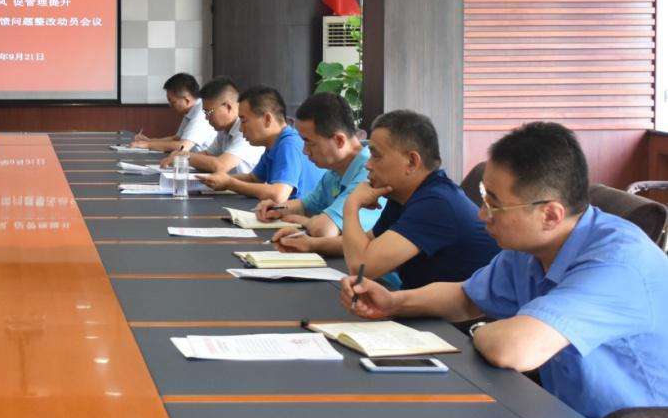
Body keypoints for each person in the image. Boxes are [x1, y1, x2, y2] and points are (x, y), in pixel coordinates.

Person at [342, 122, 668, 418]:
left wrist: (481, 331)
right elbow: (465, 296)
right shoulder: (531, 248)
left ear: (550, 214)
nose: (482, 215)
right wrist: (394, 302)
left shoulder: (617, 263)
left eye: (494, 205)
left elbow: (512, 349)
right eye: (485, 198)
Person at [342, 109, 499, 288]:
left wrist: (351, 205)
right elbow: (366, 243)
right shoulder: (403, 196)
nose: (368, 165)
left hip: (466, 306)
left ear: (411, 162)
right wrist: (315, 244)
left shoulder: (437, 203)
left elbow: (362, 268)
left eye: (376, 156)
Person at [262, 92, 381, 255]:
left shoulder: (371, 170)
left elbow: (324, 230)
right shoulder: (336, 169)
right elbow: (306, 206)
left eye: (309, 143)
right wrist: (276, 208)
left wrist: (304, 221)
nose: (305, 151)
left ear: (339, 140)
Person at [196, 85, 324, 203]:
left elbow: (278, 195)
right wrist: (220, 178)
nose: (240, 128)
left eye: (244, 120)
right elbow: (254, 178)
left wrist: (229, 183)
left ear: (267, 119)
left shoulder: (288, 145)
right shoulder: (274, 145)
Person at [161, 76, 263, 175]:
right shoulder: (224, 130)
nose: (206, 118)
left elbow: (221, 165)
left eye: (208, 112)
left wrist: (185, 157)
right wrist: (181, 157)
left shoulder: (245, 128)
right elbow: (208, 154)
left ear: (227, 107)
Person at [130, 73, 217, 154]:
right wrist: (150, 141)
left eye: (172, 101)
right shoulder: (191, 111)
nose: (170, 105)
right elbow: (176, 138)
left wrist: (148, 145)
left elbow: (182, 146)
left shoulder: (201, 113)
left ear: (186, 100)